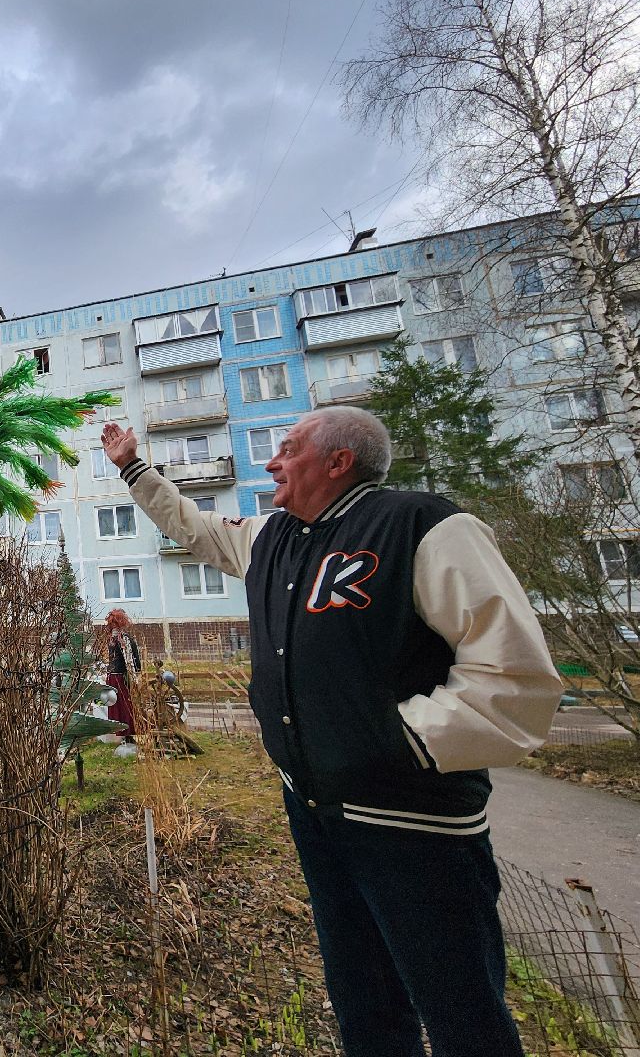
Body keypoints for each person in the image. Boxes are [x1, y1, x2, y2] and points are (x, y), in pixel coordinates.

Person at [102, 407, 563, 1057]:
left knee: (465, 1018)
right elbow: (192, 528)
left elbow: (517, 681)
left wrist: (393, 743)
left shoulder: (425, 527)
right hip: (317, 816)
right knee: (364, 1006)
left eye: (287, 448)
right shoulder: (270, 537)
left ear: (338, 461)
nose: (270, 461)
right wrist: (132, 467)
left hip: (416, 832)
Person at [103, 608, 141, 738]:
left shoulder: (113, 639)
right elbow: (131, 661)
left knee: (119, 704)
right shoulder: (121, 639)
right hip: (119, 677)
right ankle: (126, 731)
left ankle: (123, 731)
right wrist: (136, 677)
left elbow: (129, 659)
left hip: (115, 677)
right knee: (123, 704)